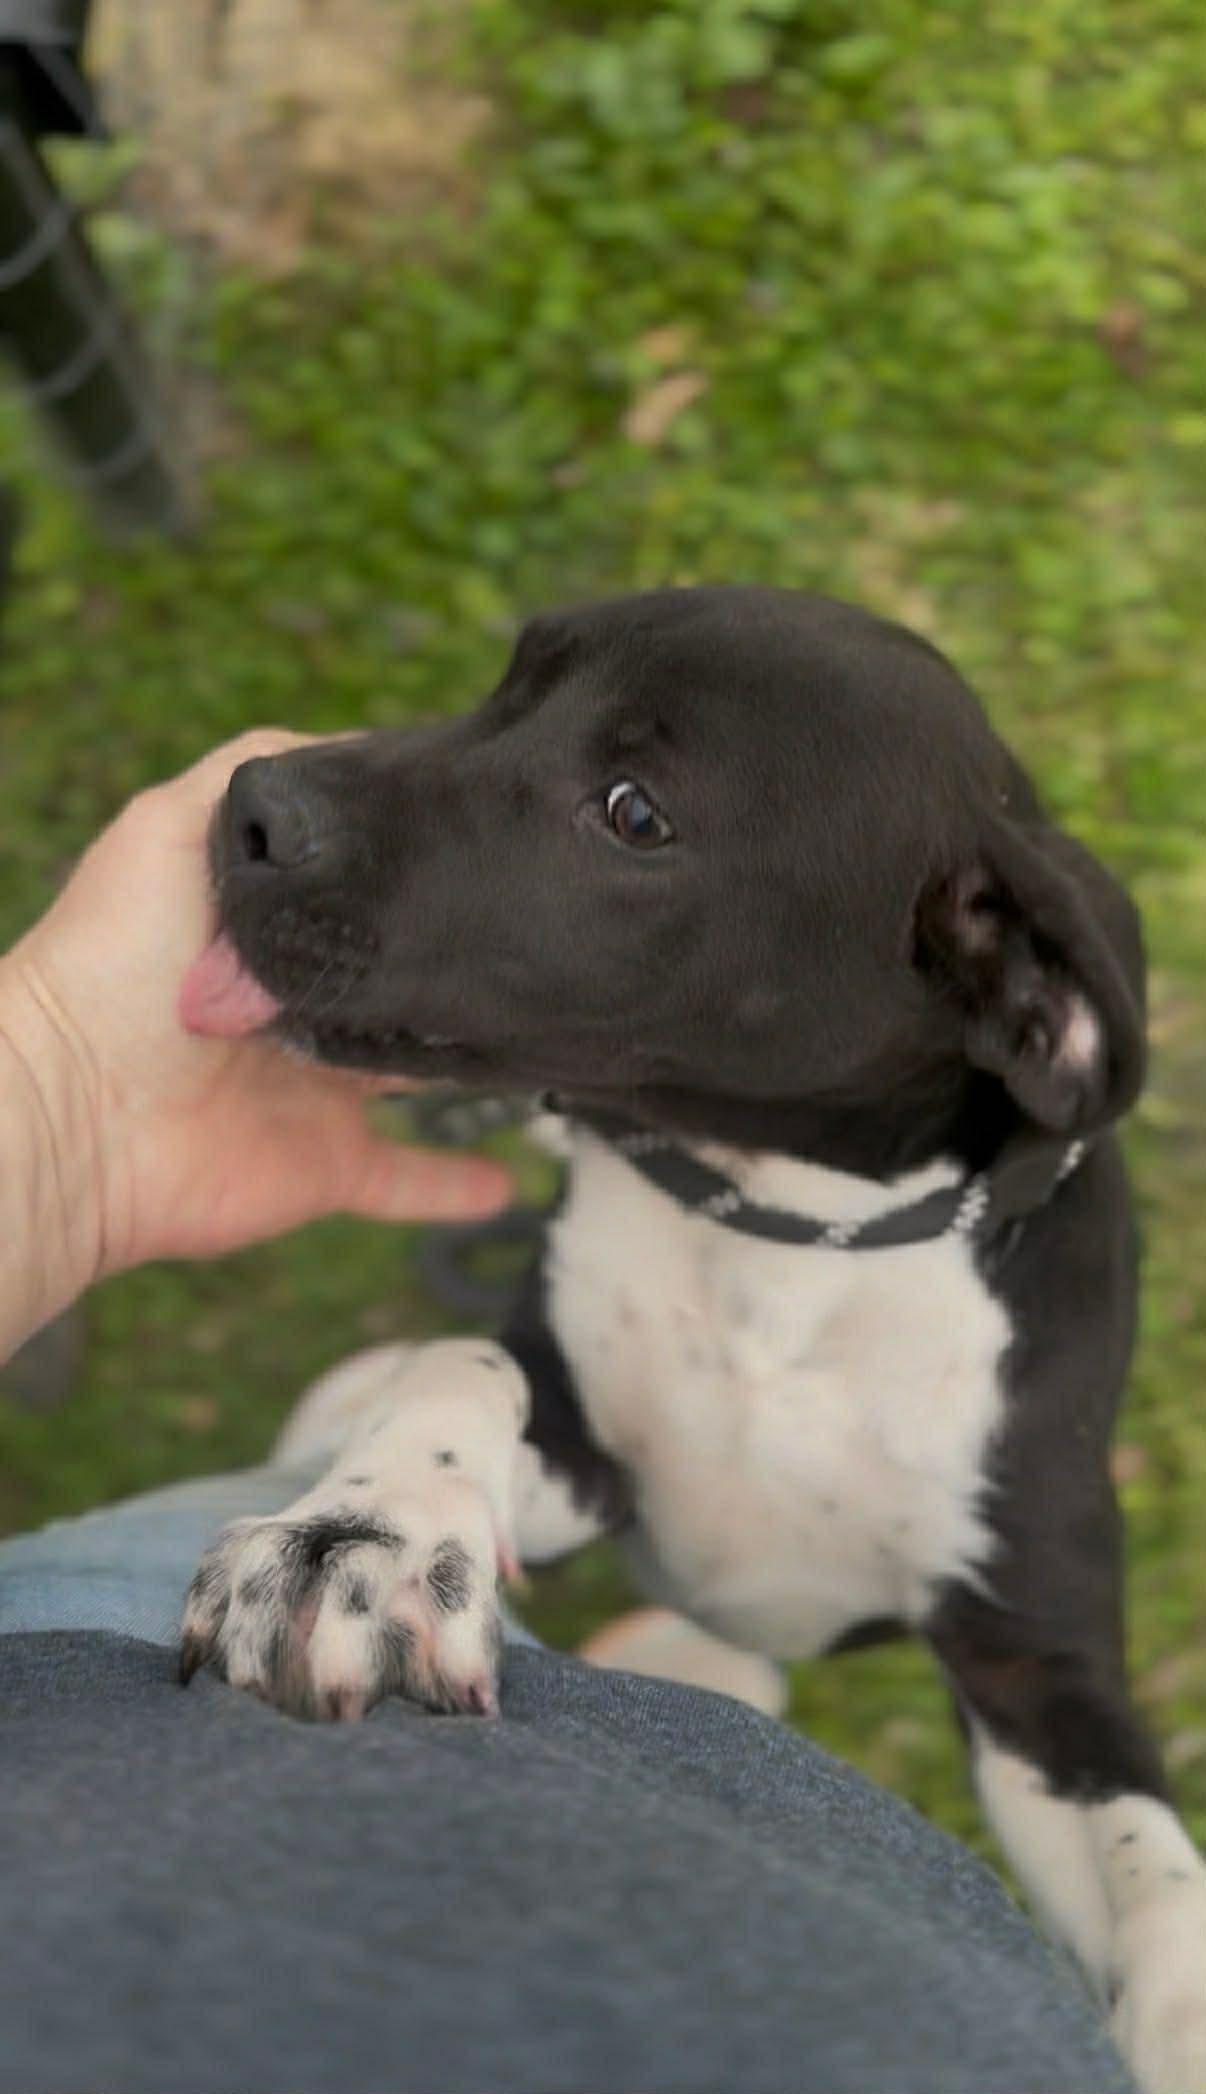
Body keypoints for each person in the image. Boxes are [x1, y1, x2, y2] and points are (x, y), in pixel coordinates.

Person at [0, 735, 1135, 2094]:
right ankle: (651, 1681)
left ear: (1028, 1005)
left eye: (632, 810)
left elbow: (1043, 1690)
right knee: (419, 1470)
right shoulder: (654, 1130)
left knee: (295, 1514)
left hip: (99, 1748)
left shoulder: (1021, 1290)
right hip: (809, 1946)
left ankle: (376, 1477)